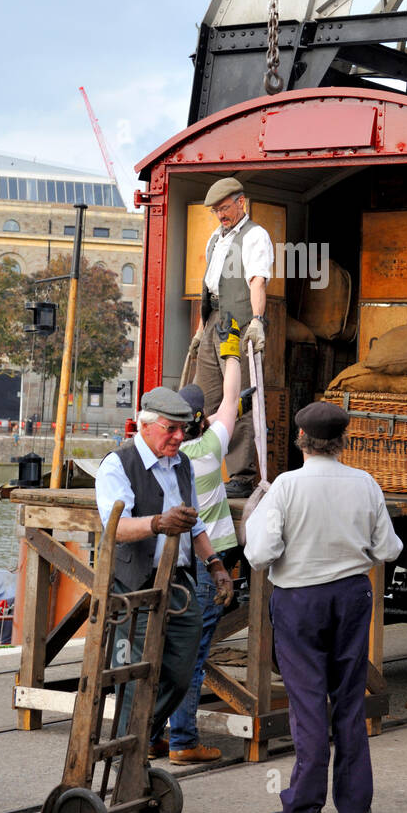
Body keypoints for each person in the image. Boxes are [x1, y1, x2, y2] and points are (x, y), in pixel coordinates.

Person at [244, 401, 403, 813]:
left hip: (299, 601)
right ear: (342, 442)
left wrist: (256, 517)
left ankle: (304, 808)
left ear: (301, 441)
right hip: (352, 597)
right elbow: (389, 550)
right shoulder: (366, 483)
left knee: (308, 701)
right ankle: (354, 807)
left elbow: (260, 555)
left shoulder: (285, 487)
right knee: (350, 698)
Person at [94, 385, 233, 756]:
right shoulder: (118, 464)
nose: (178, 437)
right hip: (135, 585)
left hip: (178, 583)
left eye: (182, 430)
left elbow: (194, 522)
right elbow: (115, 528)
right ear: (146, 426)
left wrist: (215, 563)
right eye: (171, 429)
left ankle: (140, 736)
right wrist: (157, 523)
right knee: (134, 674)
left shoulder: (182, 463)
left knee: (182, 669)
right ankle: (129, 752)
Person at [168, 319, 245, 764]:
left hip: (174, 558)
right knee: (194, 651)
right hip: (208, 556)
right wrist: (231, 352)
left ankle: (158, 732)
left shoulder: (170, 454)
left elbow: (217, 413)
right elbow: (231, 397)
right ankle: (184, 741)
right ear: (203, 422)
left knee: (171, 644)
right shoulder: (213, 448)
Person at [189, 176, 273, 498]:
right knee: (202, 397)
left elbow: (256, 282)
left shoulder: (255, 236)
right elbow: (210, 286)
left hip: (238, 325)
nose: (221, 215)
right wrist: (200, 330)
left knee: (238, 399)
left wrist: (256, 321)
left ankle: (241, 475)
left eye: (225, 208)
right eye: (216, 211)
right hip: (213, 323)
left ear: (241, 202)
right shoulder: (215, 238)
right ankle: (198, 468)